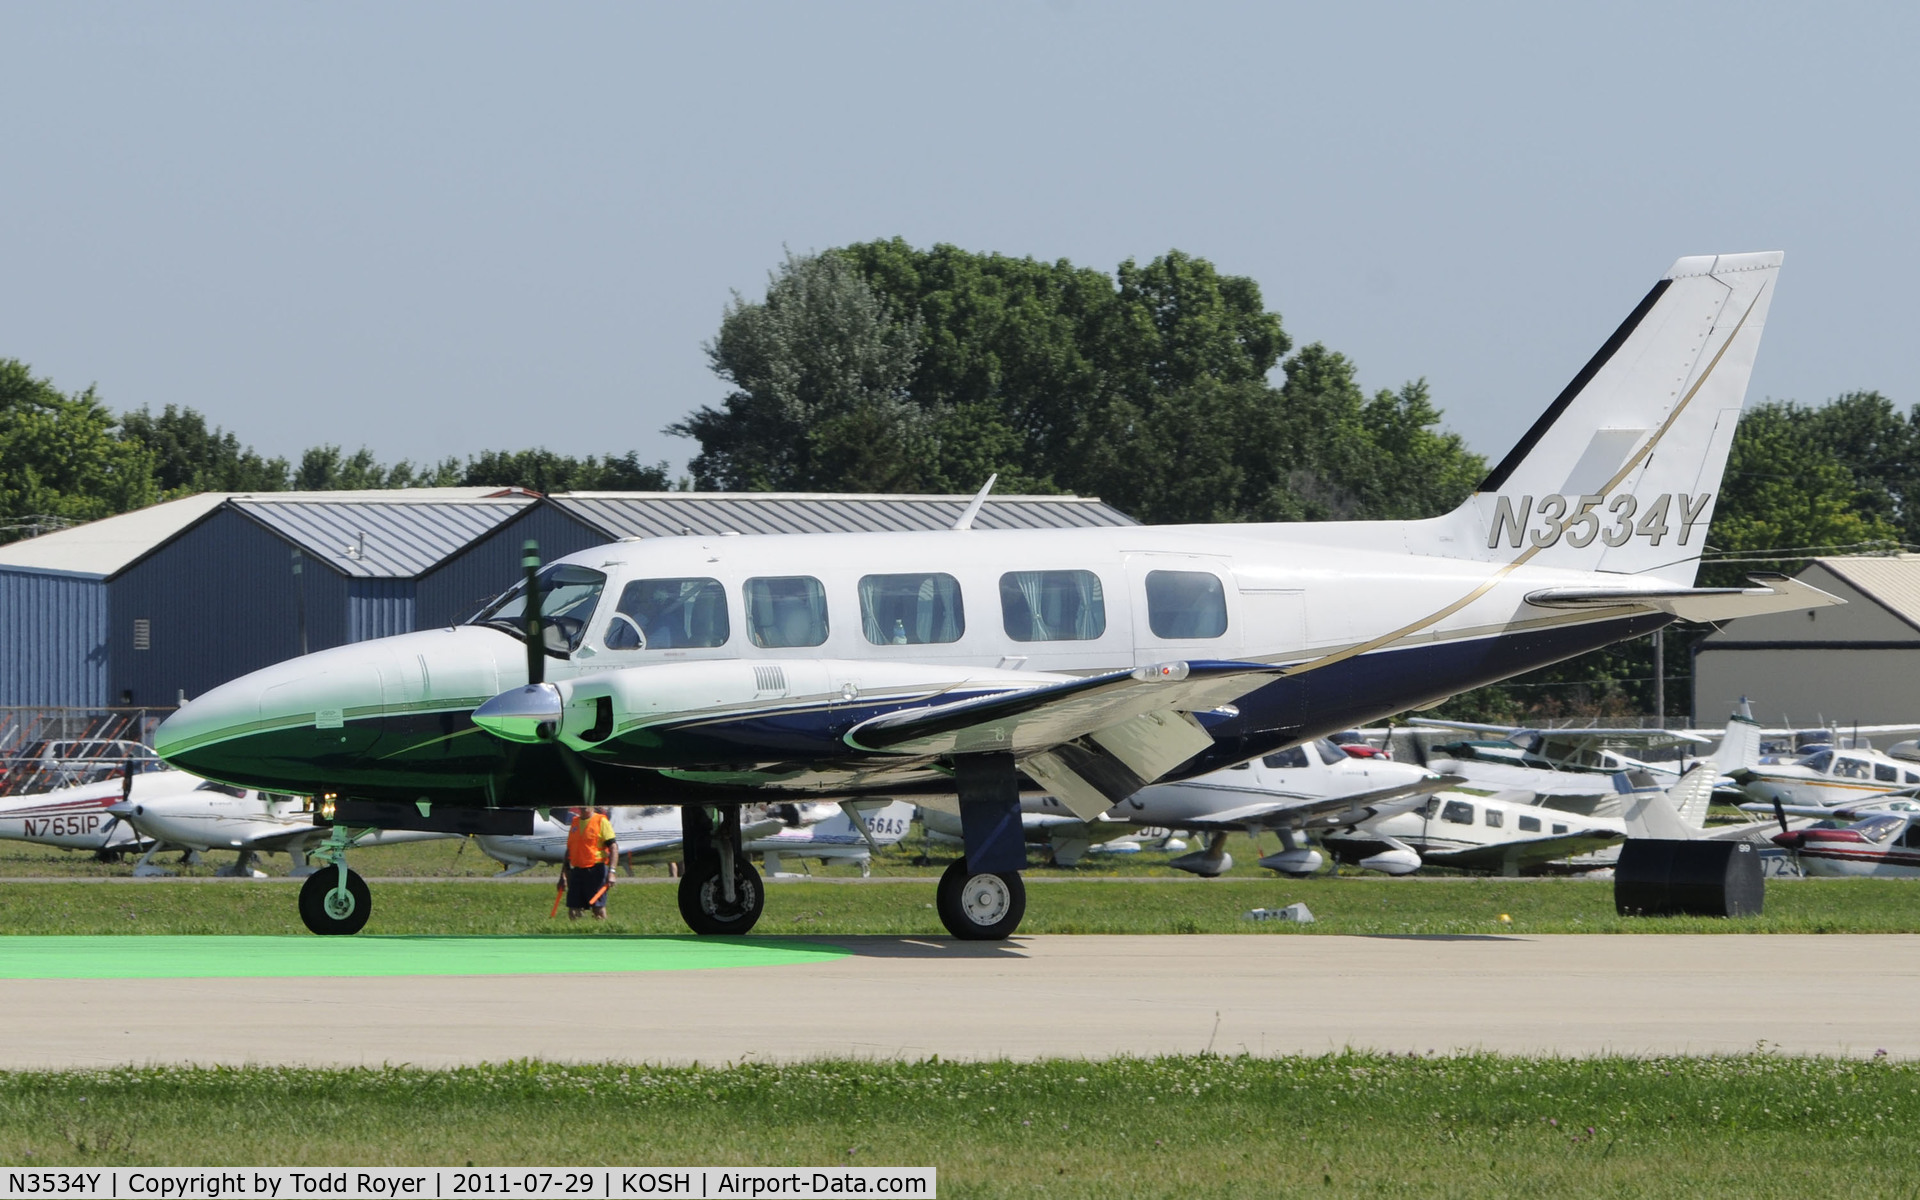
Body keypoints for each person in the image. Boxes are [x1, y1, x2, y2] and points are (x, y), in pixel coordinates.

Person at [563, 805, 618, 920]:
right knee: (573, 909)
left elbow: (613, 847)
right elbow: (569, 850)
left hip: (596, 870)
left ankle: (601, 932)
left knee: (598, 908)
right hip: (577, 870)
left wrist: (612, 872)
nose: (584, 807)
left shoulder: (600, 820)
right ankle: (576, 933)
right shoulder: (575, 822)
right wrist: (563, 874)